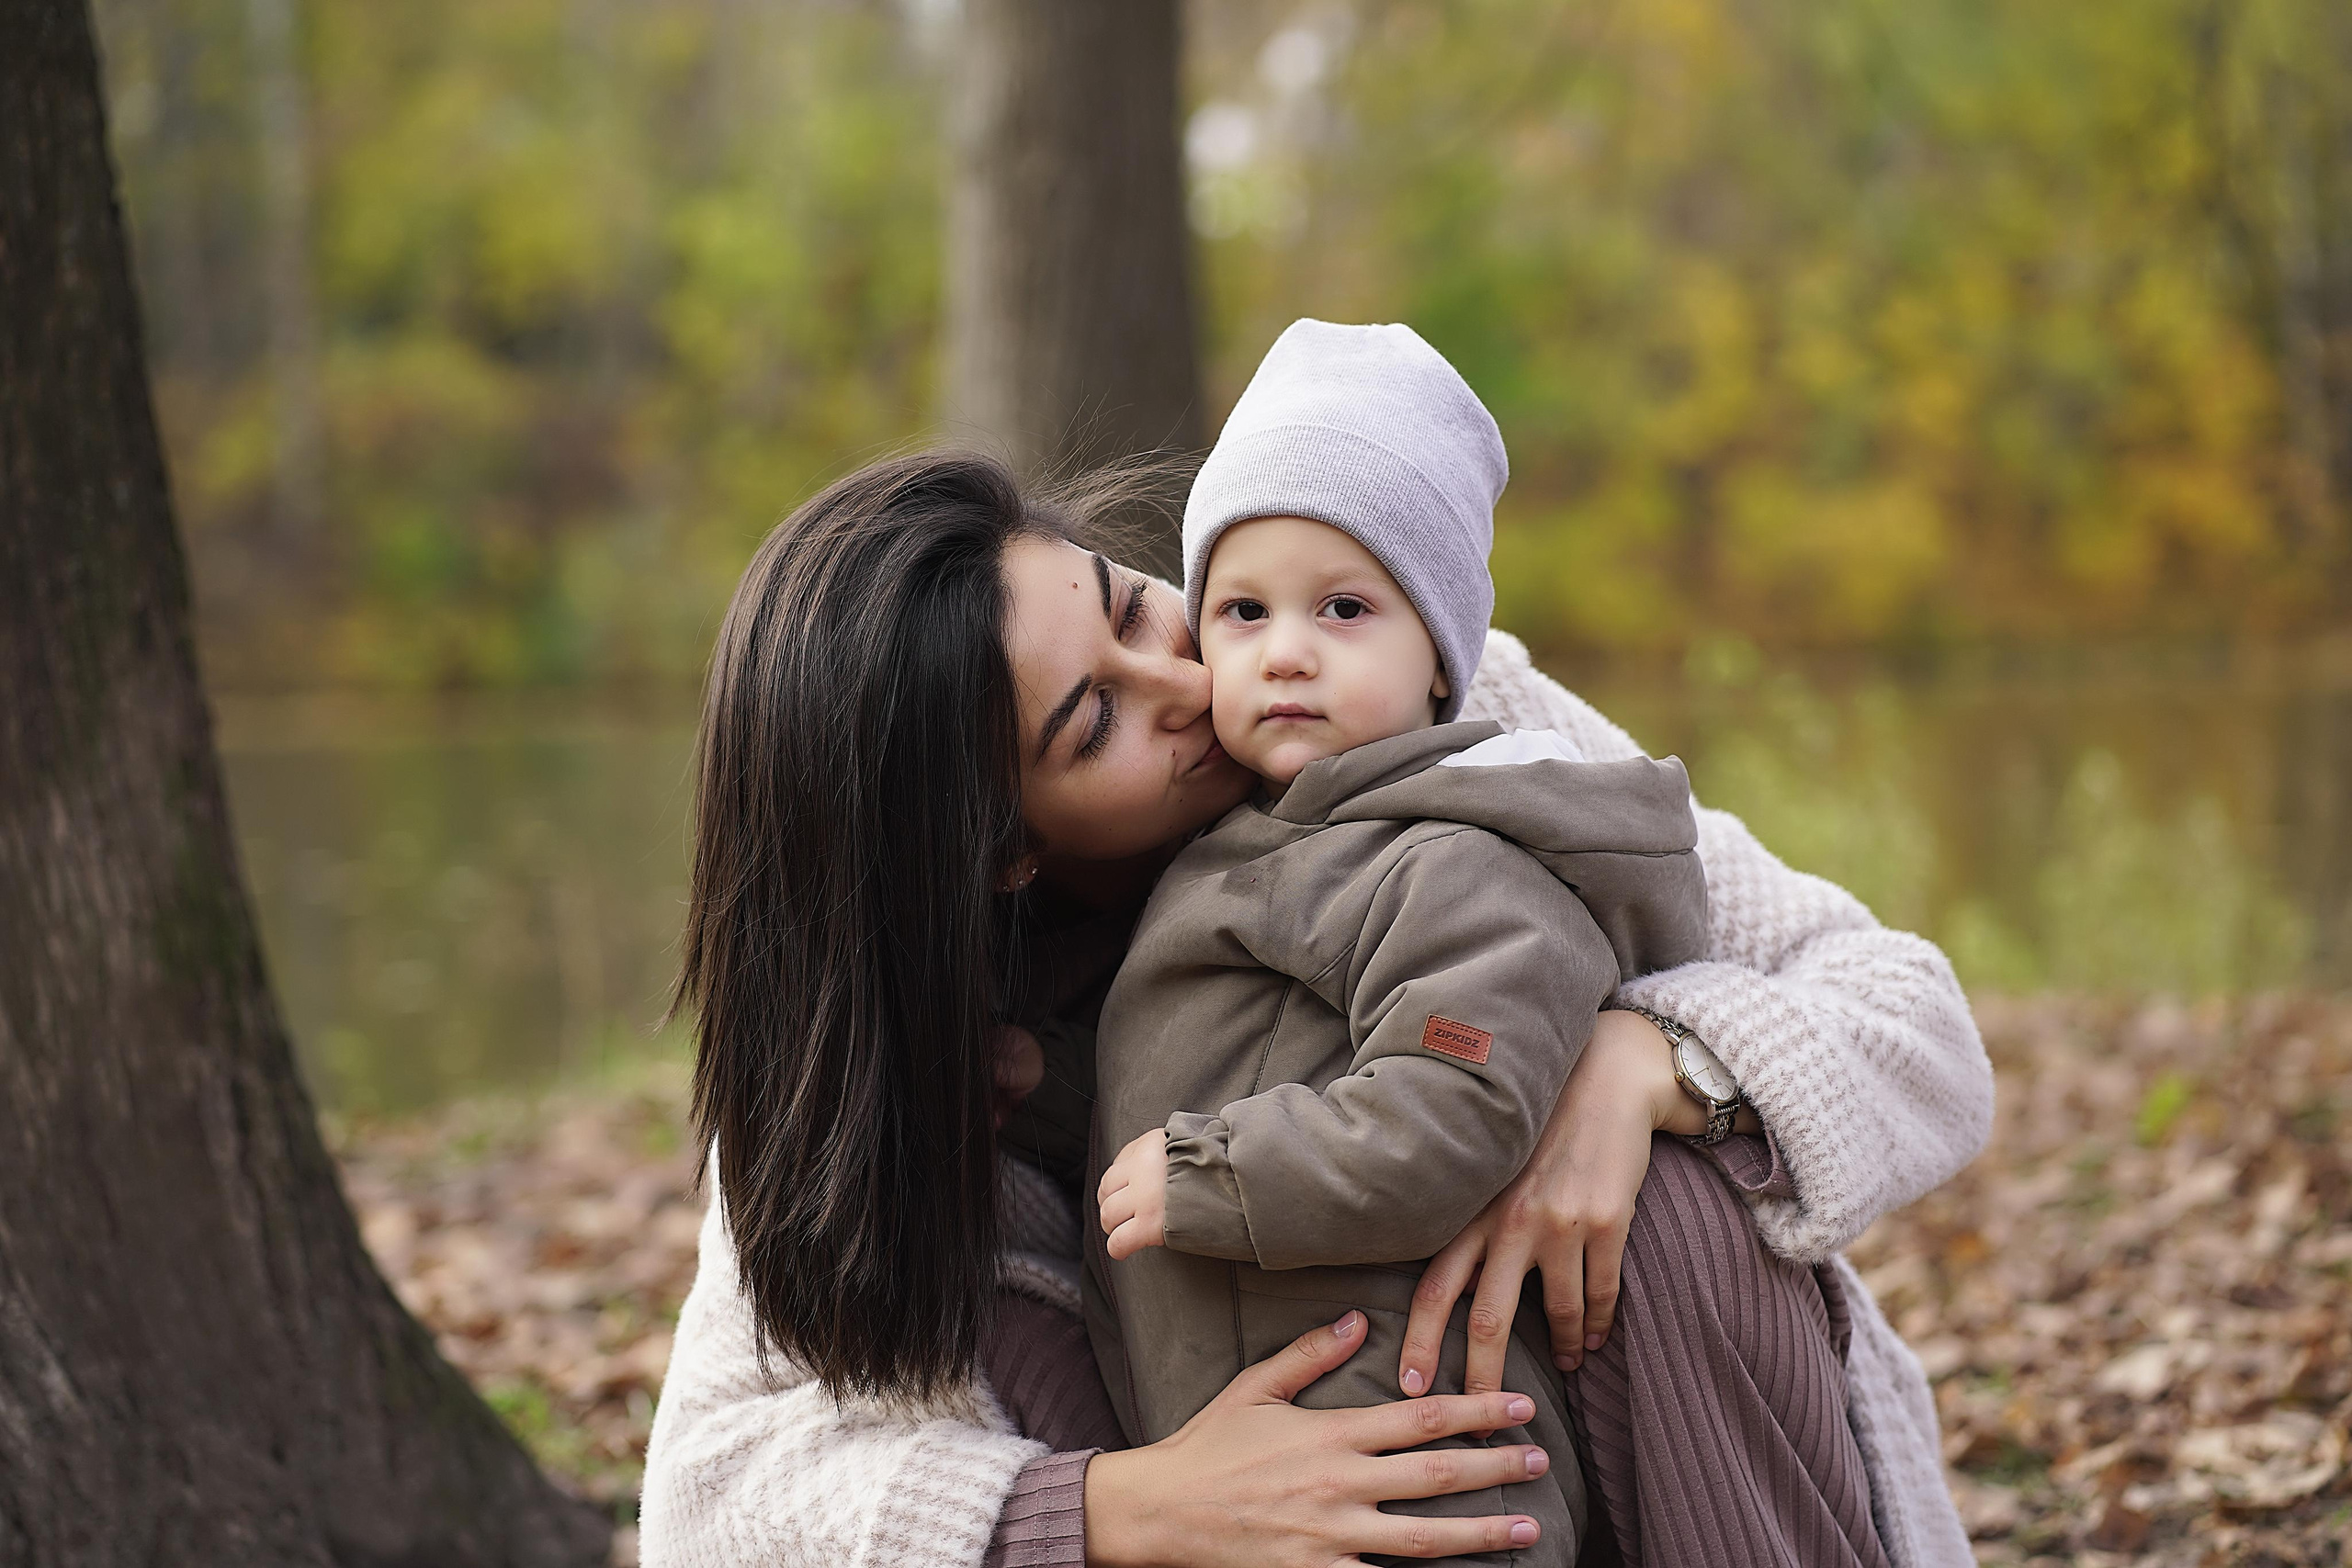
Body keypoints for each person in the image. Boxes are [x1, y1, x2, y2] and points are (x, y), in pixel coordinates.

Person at [639, 441, 1991, 1568]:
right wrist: (1129, 1511)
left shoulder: (1402, 682)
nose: (1199, 686)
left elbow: (1912, 1021)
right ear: (993, 849)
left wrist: (1647, 1064)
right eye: (1092, 723)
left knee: (1681, 1202)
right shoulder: (906, 1053)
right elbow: (709, 1501)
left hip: (1631, 1466)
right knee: (984, 1260)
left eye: (1129, 606)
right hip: (1227, 1487)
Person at [1086, 321, 1709, 1564]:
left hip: (1413, 1466)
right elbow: (1192, 1052)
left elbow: (1457, 1104)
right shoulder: (1260, 841)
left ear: (1441, 661)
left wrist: (1217, 1170)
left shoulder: (1458, 859)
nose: (1287, 652)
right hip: (1260, 1460)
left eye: (1346, 608)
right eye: (1244, 611)